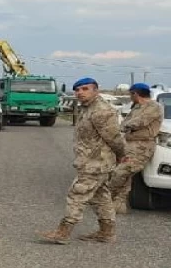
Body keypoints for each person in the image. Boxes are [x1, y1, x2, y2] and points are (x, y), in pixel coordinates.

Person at [40, 77, 127, 244]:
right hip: (90, 161)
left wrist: (122, 155)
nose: (80, 93)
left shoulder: (101, 111)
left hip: (96, 163)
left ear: (96, 90)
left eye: (85, 89)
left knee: (77, 194)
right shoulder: (87, 108)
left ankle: (63, 232)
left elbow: (114, 138)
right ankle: (106, 232)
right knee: (101, 197)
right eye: (78, 90)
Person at [108, 83, 163, 214]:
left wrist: (123, 127)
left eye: (130, 94)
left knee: (121, 172)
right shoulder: (137, 107)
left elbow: (140, 122)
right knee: (126, 176)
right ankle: (118, 204)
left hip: (142, 146)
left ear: (136, 94)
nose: (130, 97)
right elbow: (126, 121)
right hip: (129, 143)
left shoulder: (154, 107)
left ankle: (106, 196)